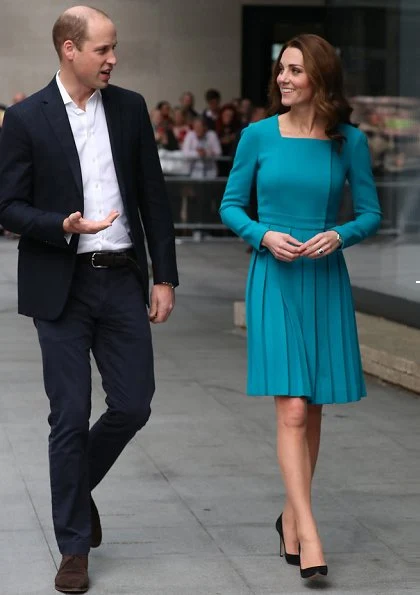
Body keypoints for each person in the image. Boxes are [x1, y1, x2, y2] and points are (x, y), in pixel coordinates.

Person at [0, 5, 178, 593]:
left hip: (123, 278)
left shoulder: (128, 109)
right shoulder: (26, 119)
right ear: (69, 49)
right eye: (103, 49)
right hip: (61, 286)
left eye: (115, 47)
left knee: (133, 405)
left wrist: (164, 277)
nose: (114, 58)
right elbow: (6, 206)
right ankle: (73, 548)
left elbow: (153, 196)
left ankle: (75, 490)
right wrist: (60, 224)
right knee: (69, 415)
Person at [219, 33, 381, 581]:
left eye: (295, 70)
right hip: (275, 276)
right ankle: (309, 533)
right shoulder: (256, 136)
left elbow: (370, 215)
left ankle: (289, 517)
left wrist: (340, 235)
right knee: (291, 407)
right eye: (281, 70)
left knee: (312, 409)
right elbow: (231, 205)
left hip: (325, 277)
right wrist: (263, 236)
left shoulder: (348, 143)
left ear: (319, 77)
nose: (283, 79)